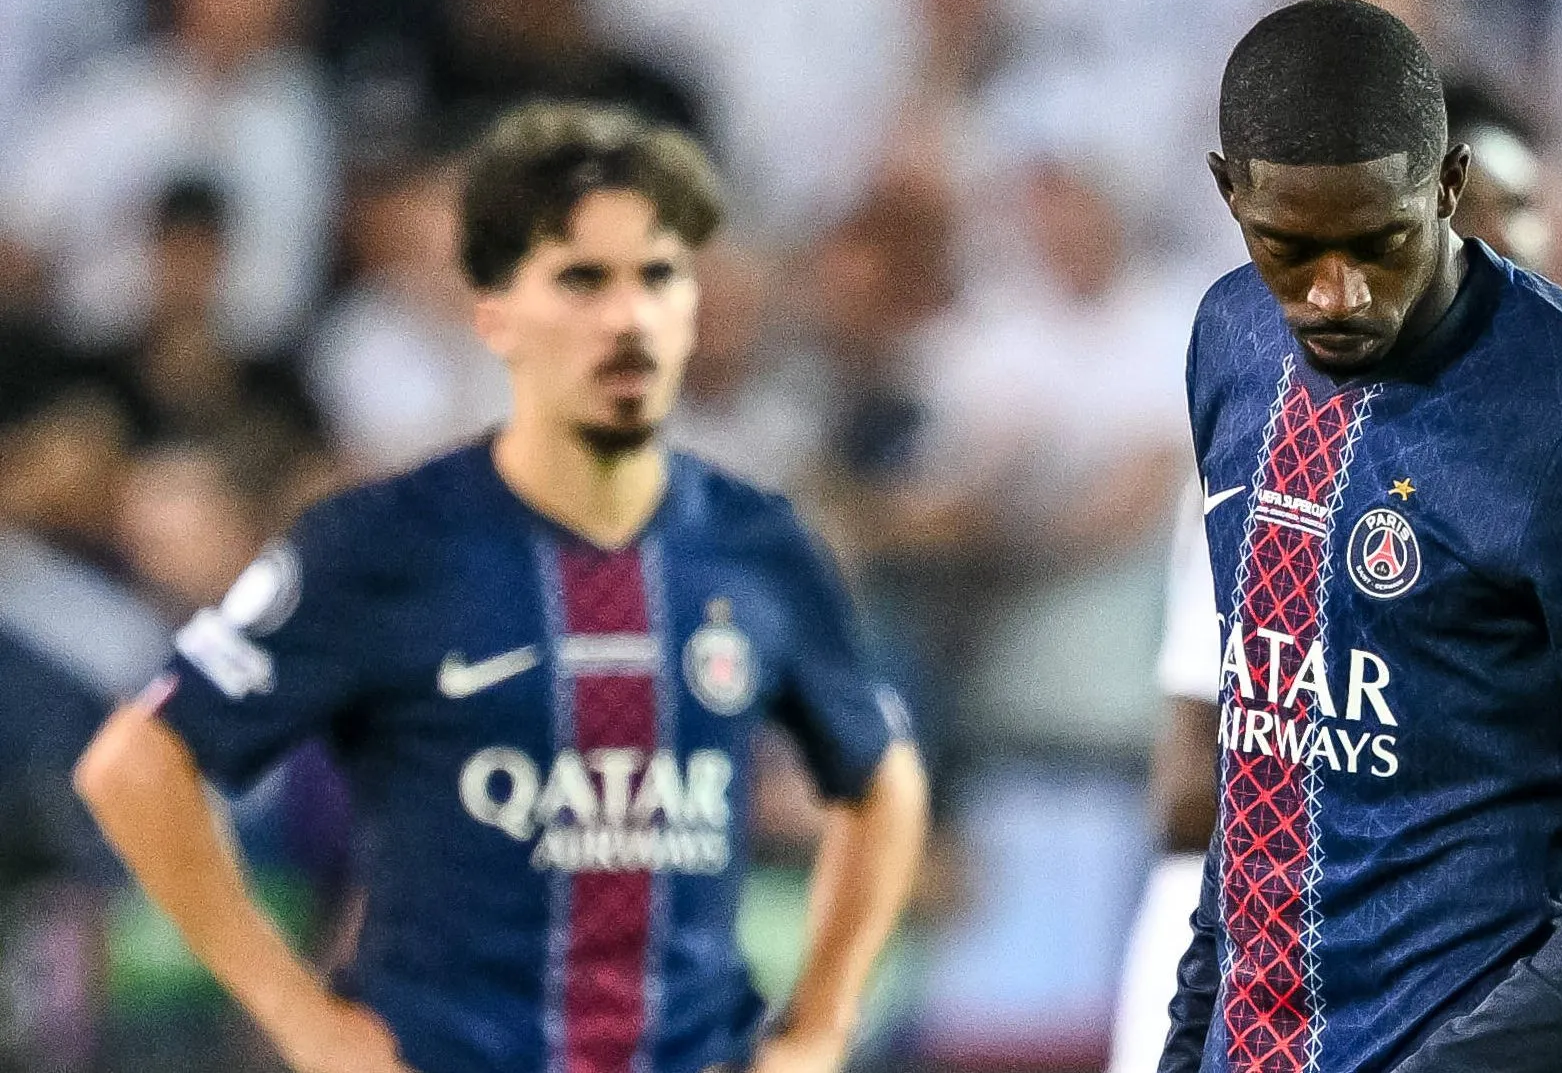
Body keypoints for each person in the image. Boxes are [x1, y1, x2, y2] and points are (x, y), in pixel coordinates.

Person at [73, 102, 929, 1073]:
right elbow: (136, 763)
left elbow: (882, 779)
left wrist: (819, 1026)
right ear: (494, 314)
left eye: (658, 277)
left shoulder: (761, 545)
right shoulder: (383, 542)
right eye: (581, 280)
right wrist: (306, 1023)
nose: (626, 316)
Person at [1158, 0, 1562, 1073]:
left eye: (1380, 242)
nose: (1335, 293)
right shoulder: (1232, 345)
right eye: (1287, 247)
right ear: (1228, 193)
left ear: (1448, 186)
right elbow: (1266, 747)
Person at [1104, 77, 1557, 1073]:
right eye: (1473, 216)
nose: (1505, 244)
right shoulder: (1272, 464)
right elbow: (1187, 789)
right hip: (1253, 959)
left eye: (1522, 210)